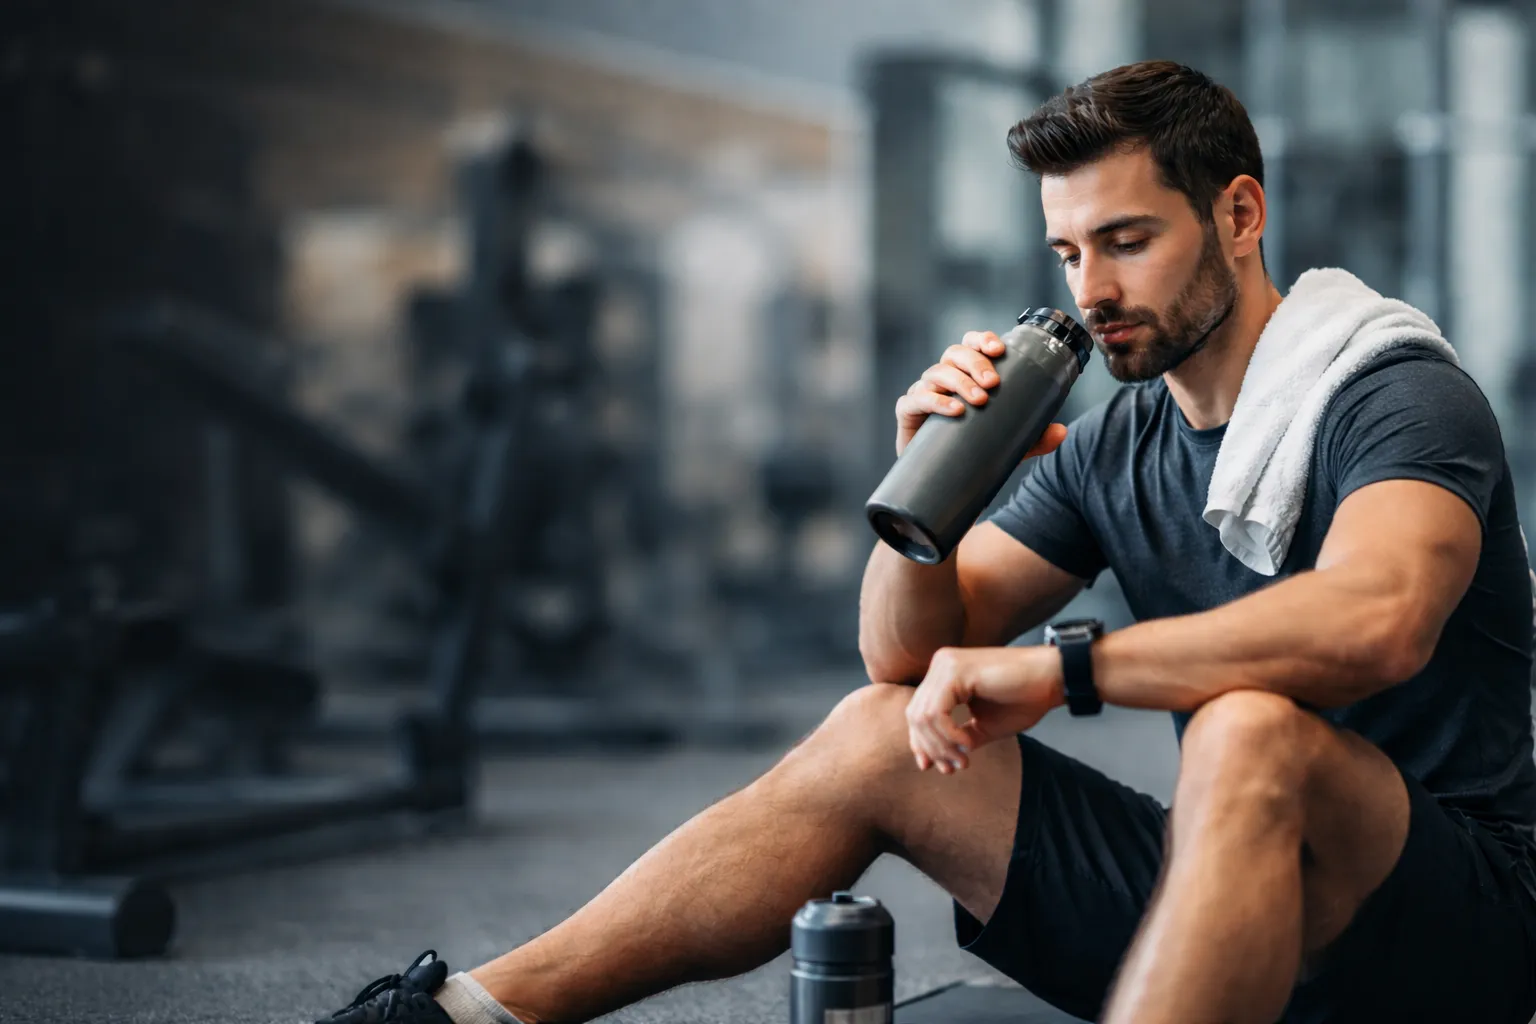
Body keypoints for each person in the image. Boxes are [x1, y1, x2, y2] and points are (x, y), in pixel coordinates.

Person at [313, 60, 1536, 1024]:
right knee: (871, 739)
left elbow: (1378, 616)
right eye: (1067, 251)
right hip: (1233, 899)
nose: (1092, 287)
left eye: (1126, 240)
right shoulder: (1121, 443)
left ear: (1239, 214)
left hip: (1444, 925)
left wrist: (1062, 669)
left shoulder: (1392, 393)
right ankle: (470, 1013)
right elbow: (902, 663)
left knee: (1252, 725)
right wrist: (928, 497)